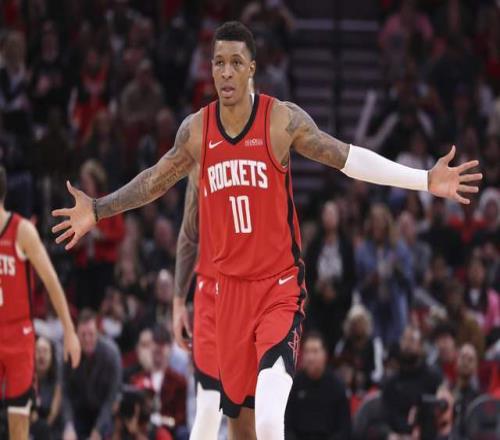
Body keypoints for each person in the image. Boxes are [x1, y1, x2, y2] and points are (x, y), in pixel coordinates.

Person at [52, 21, 482, 439]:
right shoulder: (196, 131)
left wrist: (424, 180)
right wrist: (98, 209)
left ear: (252, 68)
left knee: (271, 421)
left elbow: (348, 158)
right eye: (218, 62)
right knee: (241, 426)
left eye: (236, 63)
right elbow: (153, 181)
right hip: (228, 294)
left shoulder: (280, 121)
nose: (225, 72)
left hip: (278, 288)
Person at [0, 165, 81, 440]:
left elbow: (51, 281)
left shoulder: (21, 231)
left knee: (18, 427)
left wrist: (69, 331)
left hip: (18, 337)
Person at [174, 168, 222, 440]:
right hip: (210, 292)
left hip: (253, 291)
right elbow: (190, 234)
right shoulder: (200, 156)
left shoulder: (266, 148)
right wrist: (178, 302)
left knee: (256, 414)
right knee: (208, 408)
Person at [63, 309, 122, 440]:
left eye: (91, 334)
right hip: (79, 414)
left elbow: (111, 397)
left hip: (103, 412)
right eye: (83, 335)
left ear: (98, 333)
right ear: (76, 334)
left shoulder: (111, 354)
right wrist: (68, 424)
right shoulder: (70, 353)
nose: (87, 339)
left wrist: (98, 430)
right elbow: (65, 393)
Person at [285, 331, 351, 440]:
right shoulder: (294, 385)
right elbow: (286, 426)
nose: (310, 358)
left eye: (315, 351)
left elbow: (344, 429)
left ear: (325, 355)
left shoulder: (337, 386)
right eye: (307, 352)